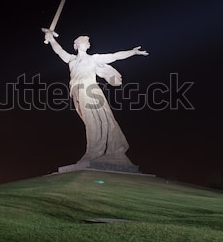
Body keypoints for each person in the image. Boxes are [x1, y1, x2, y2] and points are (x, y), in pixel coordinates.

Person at [42, 29, 149, 165]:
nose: (88, 43)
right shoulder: (71, 59)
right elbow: (58, 50)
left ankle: (95, 151)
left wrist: (132, 52)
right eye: (84, 41)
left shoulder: (94, 59)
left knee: (97, 120)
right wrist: (50, 38)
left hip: (90, 90)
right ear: (77, 44)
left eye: (88, 42)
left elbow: (115, 56)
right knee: (90, 120)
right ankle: (98, 150)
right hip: (77, 91)